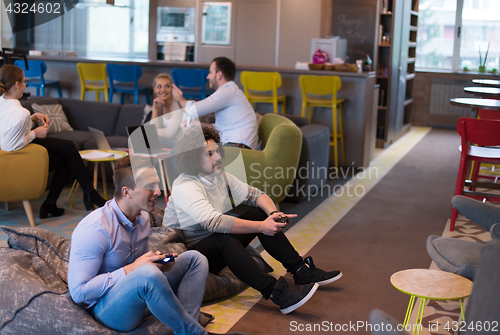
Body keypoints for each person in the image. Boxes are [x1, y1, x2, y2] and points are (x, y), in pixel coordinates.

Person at [163, 127, 343, 314]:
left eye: (217, 151)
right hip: (190, 255)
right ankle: (277, 293)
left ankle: (301, 271)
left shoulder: (219, 176)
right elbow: (213, 223)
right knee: (224, 239)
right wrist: (262, 227)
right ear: (192, 158)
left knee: (258, 212)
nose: (217, 157)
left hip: (215, 241)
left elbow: (255, 195)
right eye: (209, 154)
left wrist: (273, 214)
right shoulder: (185, 186)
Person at [69, 156, 211, 334]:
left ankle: (186, 326)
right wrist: (132, 269)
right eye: (150, 186)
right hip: (105, 309)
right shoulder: (95, 228)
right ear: (127, 192)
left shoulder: (143, 218)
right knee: (147, 273)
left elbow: (141, 267)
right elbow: (79, 292)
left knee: (195, 259)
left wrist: (157, 264)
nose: (158, 191)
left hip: (138, 293)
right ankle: (195, 332)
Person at [0, 64, 106, 218]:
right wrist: (35, 133)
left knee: (68, 152)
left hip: (12, 156)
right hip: (17, 160)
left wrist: (32, 119)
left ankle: (55, 203)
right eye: (25, 81)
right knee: (68, 154)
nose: (26, 84)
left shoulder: (4, 102)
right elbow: (9, 145)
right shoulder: (19, 112)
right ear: (16, 84)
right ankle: (88, 194)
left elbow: (9, 130)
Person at [172, 57, 259, 150]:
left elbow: (192, 110)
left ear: (219, 75)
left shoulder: (228, 91)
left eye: (210, 72)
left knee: (183, 152)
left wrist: (178, 97)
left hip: (239, 147)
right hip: (236, 144)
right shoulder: (230, 91)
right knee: (182, 150)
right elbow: (220, 128)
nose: (207, 76)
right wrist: (196, 124)